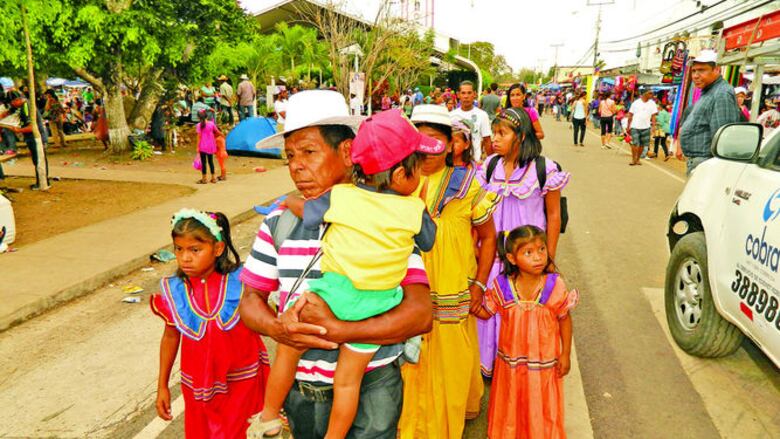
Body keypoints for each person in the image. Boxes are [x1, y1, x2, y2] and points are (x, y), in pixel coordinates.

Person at [239, 90, 433, 439]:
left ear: (347, 153)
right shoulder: (279, 224)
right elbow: (250, 303)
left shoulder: (388, 222)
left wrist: (343, 331)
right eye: (290, 156)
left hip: (374, 387)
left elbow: (420, 315)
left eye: (309, 152)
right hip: (303, 393)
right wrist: (280, 329)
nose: (297, 165)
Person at [398, 105, 497, 439]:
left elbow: (488, 237)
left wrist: (480, 284)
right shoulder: (398, 182)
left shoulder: (466, 184)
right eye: (419, 140)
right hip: (408, 287)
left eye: (435, 140)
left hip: (453, 285)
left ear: (452, 143)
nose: (427, 148)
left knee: (451, 358)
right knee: (411, 355)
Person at [152, 209, 270, 438]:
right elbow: (170, 337)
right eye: (179, 249)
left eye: (195, 250)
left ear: (218, 248)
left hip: (242, 382)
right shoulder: (175, 290)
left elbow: (265, 320)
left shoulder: (243, 281)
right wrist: (162, 386)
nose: (185, 257)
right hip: (198, 388)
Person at [477, 107, 570, 378]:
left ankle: (519, 367)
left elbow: (553, 215)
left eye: (502, 133)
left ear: (520, 136)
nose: (494, 139)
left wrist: (549, 257)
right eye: (494, 132)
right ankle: (491, 365)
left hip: (527, 259)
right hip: (494, 254)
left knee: (523, 311)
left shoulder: (543, 169)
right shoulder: (491, 166)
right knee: (493, 307)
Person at [473, 225, 577, 439]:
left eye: (541, 249)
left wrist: (565, 354)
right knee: (512, 403)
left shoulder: (554, 285)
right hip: (511, 366)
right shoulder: (502, 286)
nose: (538, 257)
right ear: (511, 258)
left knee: (541, 406)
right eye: (528, 252)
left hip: (544, 365)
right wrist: (470, 304)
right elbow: (486, 313)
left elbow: (564, 320)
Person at [677, 50, 742, 175]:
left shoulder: (721, 93)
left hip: (707, 164)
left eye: (702, 70)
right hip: (699, 162)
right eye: (694, 71)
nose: (695, 75)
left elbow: (723, 139)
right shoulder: (708, 92)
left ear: (717, 70)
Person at [0, 91, 49, 189]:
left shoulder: (27, 107)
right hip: (31, 137)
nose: (11, 105)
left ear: (16, 100)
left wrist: (17, 129)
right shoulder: (21, 105)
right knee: (37, 159)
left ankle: (43, 182)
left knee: (39, 160)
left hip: (36, 136)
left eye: (12, 103)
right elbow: (9, 112)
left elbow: (32, 127)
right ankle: (41, 181)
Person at [450, 80, 492, 160]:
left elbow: (487, 140)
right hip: (454, 161)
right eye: (463, 93)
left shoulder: (482, 115)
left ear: (474, 94)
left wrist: (491, 163)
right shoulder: (451, 116)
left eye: (469, 93)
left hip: (475, 161)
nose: (466, 96)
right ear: (458, 95)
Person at [626, 89, 657, 166]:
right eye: (650, 93)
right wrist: (628, 126)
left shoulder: (652, 103)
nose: (651, 95)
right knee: (635, 143)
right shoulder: (636, 103)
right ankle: (633, 159)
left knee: (642, 145)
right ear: (644, 94)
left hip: (646, 127)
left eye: (652, 93)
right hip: (635, 126)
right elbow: (630, 115)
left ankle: (638, 159)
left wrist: (653, 126)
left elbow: (653, 116)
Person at [196, 109, 221, 184]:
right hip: (211, 145)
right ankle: (213, 178)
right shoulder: (211, 124)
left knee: (203, 163)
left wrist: (197, 147)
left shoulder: (198, 125)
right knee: (211, 162)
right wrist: (222, 135)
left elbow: (199, 137)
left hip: (202, 146)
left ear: (198, 118)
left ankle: (204, 179)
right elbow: (217, 132)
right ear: (207, 116)